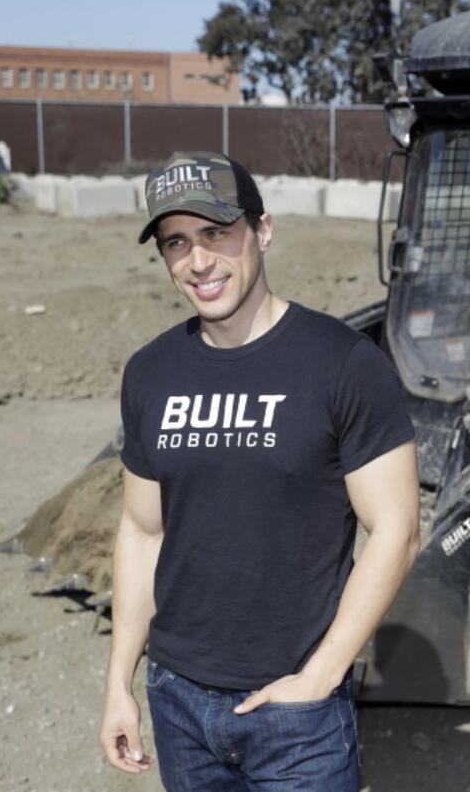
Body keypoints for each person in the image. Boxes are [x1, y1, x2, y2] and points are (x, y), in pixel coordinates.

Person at [97, 151, 420, 791]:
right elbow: (141, 532)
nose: (198, 261)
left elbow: (396, 531)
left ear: (263, 231)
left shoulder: (344, 364)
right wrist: (119, 684)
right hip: (178, 700)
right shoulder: (150, 373)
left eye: (218, 233)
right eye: (177, 243)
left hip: (296, 714)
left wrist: (321, 678)